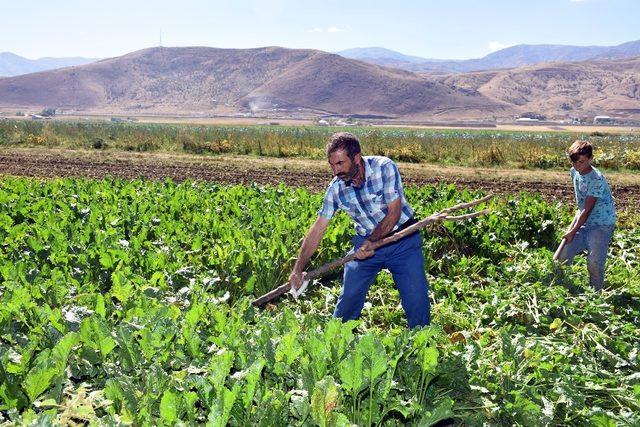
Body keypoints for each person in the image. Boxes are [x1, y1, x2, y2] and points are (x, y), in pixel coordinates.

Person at [288, 132, 430, 328]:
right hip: (364, 247)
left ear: (356, 158)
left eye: (340, 164)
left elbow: (393, 213)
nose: (335, 171)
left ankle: (421, 342)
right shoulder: (336, 189)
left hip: (402, 241)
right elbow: (317, 229)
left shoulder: (383, 168)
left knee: (416, 298)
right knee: (348, 300)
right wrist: (298, 268)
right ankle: (338, 341)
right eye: (332, 165)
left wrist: (371, 242)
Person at [557, 140, 616, 291]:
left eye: (582, 161)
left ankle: (595, 295)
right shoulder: (574, 172)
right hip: (583, 219)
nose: (578, 166)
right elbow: (582, 201)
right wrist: (577, 221)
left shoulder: (596, 179)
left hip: (601, 224)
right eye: (574, 161)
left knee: (594, 262)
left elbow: (588, 209)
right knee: (563, 255)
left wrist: (573, 231)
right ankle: (563, 288)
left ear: (591, 158)